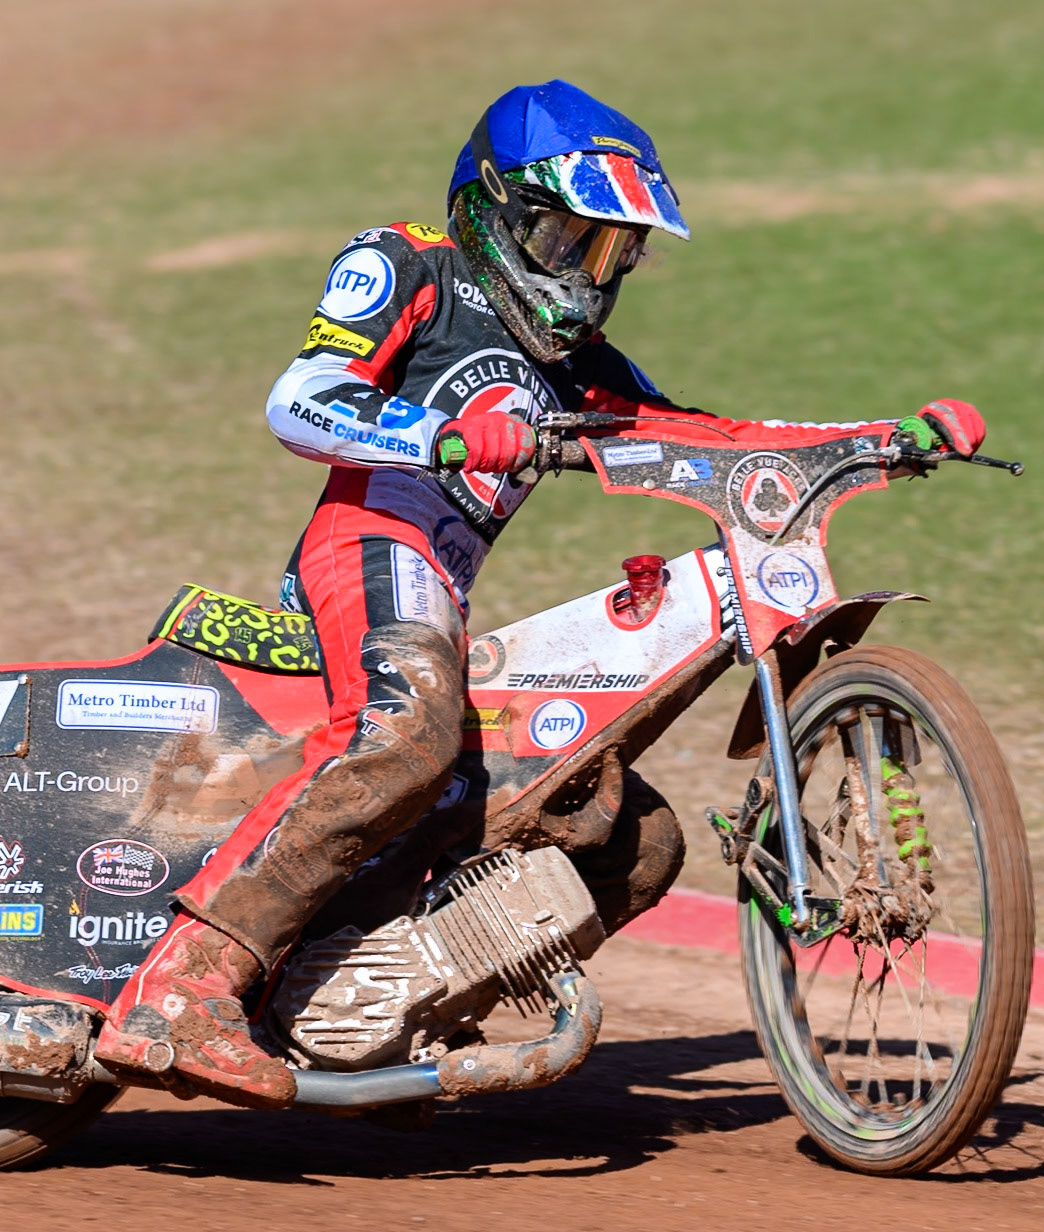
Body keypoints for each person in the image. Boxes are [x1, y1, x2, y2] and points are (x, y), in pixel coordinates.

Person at [94, 80, 986, 1106]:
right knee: (413, 729)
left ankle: (376, 1011)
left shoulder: (580, 367)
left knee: (631, 835)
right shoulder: (406, 261)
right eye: (570, 240)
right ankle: (183, 986)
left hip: (441, 602)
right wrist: (436, 434)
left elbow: (710, 438)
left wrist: (884, 440)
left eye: (610, 253)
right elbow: (298, 399)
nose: (588, 276)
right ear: (499, 212)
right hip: (367, 549)